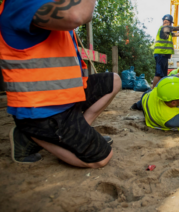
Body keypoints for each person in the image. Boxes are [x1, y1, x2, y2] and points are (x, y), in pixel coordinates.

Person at [0, 0, 121, 168]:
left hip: (65, 98)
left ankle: (77, 134)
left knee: (114, 80)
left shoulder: (48, 5)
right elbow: (76, 15)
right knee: (101, 158)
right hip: (41, 110)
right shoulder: (21, 3)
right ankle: (30, 135)